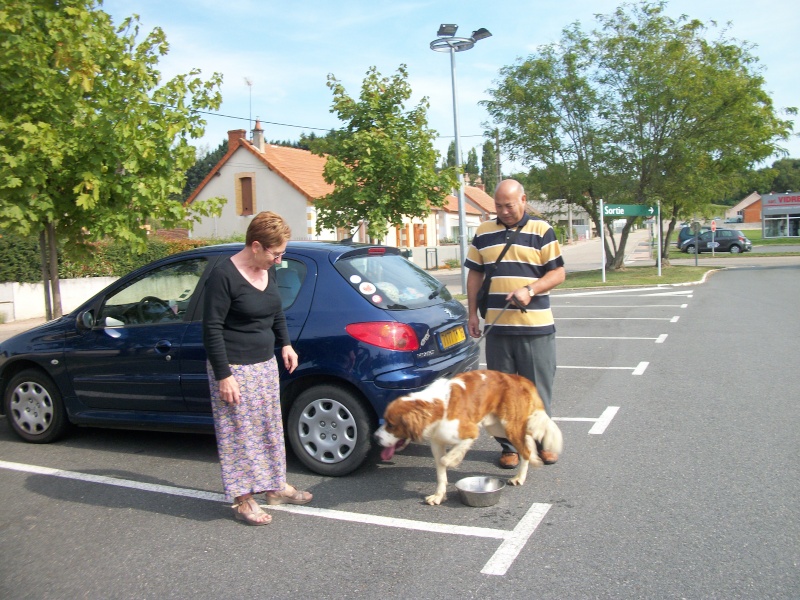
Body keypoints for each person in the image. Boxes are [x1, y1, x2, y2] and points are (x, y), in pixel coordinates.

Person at [203, 211, 312, 526]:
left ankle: (275, 487)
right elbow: (211, 329)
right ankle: (244, 499)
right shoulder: (223, 276)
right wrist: (224, 375)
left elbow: (275, 311)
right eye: (275, 254)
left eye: (282, 254)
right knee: (238, 434)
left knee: (269, 429)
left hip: (264, 365)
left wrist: (286, 344)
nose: (278, 261)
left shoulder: (268, 271)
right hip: (234, 368)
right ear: (255, 246)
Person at [465, 179, 566, 469]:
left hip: (536, 328)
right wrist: (473, 313)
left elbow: (558, 273)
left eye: (509, 205)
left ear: (523, 199)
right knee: (502, 394)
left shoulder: (542, 230)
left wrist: (530, 290)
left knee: (537, 390)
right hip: (497, 328)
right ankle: (509, 447)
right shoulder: (483, 232)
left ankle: (542, 442)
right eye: (498, 205)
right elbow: (475, 276)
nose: (504, 211)